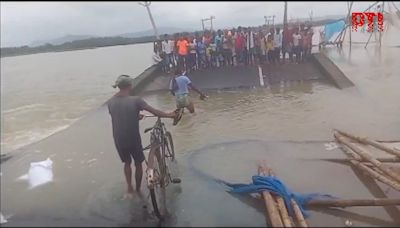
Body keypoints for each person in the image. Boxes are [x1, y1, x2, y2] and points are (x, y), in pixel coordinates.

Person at [107, 75, 177, 198]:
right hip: (132, 137)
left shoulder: (111, 102)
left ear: (118, 86)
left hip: (118, 138)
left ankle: (129, 189)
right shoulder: (136, 100)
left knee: (127, 163)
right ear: (130, 86)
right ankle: (138, 190)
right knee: (138, 163)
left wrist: (135, 115)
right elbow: (154, 112)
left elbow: (119, 115)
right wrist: (170, 115)